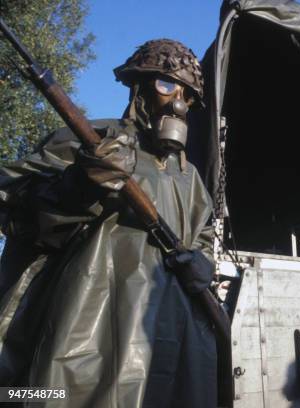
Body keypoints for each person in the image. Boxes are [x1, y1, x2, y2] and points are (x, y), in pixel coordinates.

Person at [0, 39, 218, 407]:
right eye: (167, 85)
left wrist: (203, 264)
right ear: (140, 87)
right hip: (84, 338)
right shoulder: (94, 140)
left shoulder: (191, 178)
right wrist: (79, 184)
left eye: (188, 94)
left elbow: (204, 238)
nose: (178, 101)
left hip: (172, 338)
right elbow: (12, 199)